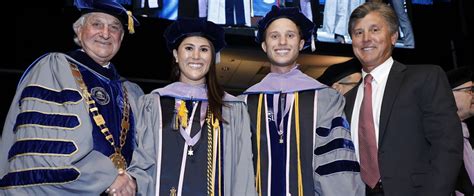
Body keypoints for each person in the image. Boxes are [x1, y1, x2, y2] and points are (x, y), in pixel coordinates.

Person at [0, 0, 144, 195]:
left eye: (115, 27)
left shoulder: (131, 91)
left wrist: (132, 178)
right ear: (79, 31)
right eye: (97, 24)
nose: (105, 33)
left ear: (121, 37)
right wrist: (108, 177)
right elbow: (47, 150)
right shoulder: (55, 69)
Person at [240, 5, 365, 195]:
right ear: (264, 45)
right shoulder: (244, 103)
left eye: (290, 35)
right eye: (274, 36)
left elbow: (337, 164)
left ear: (301, 43)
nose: (282, 42)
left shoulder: (325, 99)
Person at [127, 18, 256, 195]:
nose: (196, 56)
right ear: (175, 54)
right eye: (188, 48)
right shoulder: (153, 104)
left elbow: (243, 173)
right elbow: (142, 163)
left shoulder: (232, 109)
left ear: (212, 58)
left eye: (204, 50)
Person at [344, 2, 462, 195]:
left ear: (393, 36)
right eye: (358, 33)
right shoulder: (346, 101)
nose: (366, 39)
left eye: (374, 30)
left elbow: (447, 146)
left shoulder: (425, 78)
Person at [446, 67, 474, 195]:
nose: (473, 95)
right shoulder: (437, 141)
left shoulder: (469, 136)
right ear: (449, 96)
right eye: (470, 90)